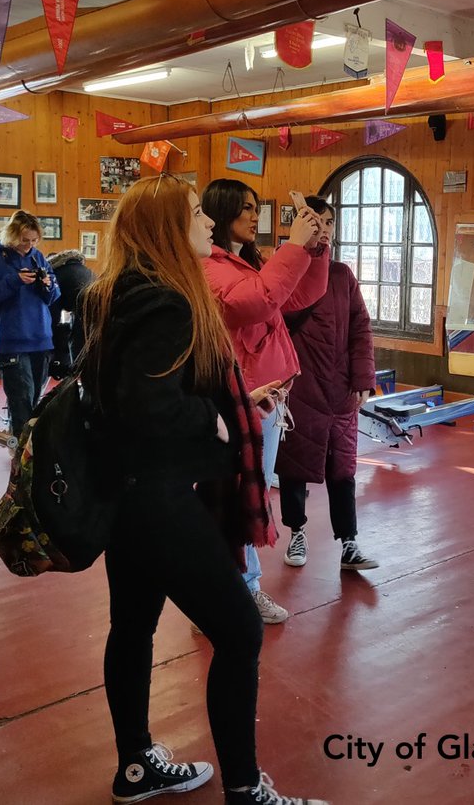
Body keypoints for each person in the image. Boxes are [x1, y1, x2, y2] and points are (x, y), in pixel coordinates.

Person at [79, 174, 328, 805]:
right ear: (168, 226)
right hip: (156, 495)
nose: (209, 223)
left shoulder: (118, 293)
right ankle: (246, 791)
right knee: (240, 633)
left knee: (132, 627)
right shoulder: (165, 301)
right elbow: (147, 403)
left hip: (123, 494)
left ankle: (135, 766)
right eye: (195, 213)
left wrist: (235, 399)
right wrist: (215, 419)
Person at [201, 179, 329, 625]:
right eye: (247, 209)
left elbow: (299, 294)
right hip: (246, 398)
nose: (257, 216)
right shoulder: (212, 266)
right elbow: (256, 303)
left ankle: (227, 589)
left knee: (248, 491)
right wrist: (294, 246)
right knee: (242, 494)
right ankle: (242, 589)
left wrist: (313, 251)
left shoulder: (243, 261)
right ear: (221, 214)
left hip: (267, 395)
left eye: (257, 208)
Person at [276, 197, 380, 572]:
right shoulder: (282, 270)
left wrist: (363, 378)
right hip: (297, 389)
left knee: (343, 468)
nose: (323, 227)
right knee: (293, 466)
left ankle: (349, 542)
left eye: (329, 222)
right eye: (314, 220)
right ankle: (296, 532)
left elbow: (360, 328)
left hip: (339, 390)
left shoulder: (342, 275)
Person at [0, 211, 59, 437]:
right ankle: (23, 458)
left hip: (40, 338)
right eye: (24, 241)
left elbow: (53, 297)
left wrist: (47, 284)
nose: (28, 246)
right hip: (11, 340)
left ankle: (23, 448)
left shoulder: (37, 256)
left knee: (33, 400)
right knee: (21, 401)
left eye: (34, 240)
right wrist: (14, 280)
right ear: (12, 236)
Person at [47, 249, 95, 379]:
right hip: (96, 311)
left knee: (76, 344)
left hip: (82, 310)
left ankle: (75, 375)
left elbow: (53, 309)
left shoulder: (57, 273)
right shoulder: (88, 271)